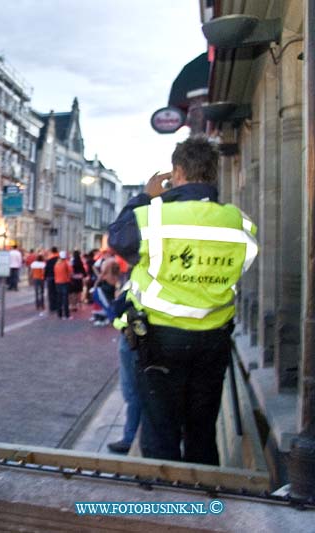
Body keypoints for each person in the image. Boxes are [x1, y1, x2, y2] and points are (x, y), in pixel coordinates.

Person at [108, 135, 258, 465]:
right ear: (214, 173)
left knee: (161, 434)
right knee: (202, 432)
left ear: (176, 173)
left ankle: (169, 508)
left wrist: (144, 196)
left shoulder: (154, 216)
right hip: (213, 341)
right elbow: (244, 264)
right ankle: (203, 509)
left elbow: (118, 238)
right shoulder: (238, 221)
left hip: (160, 341)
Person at [54, 250, 72, 320]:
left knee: (59, 299)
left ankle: (59, 314)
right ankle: (67, 315)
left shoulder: (56, 264)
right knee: (65, 299)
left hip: (57, 282)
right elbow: (71, 272)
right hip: (65, 282)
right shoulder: (66, 263)